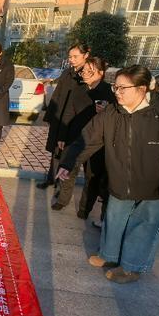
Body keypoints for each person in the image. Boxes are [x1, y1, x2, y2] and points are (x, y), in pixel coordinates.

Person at [57, 65, 159, 284]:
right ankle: (109, 255)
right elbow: (88, 138)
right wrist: (68, 162)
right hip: (120, 182)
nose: (117, 92)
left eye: (123, 88)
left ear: (142, 88)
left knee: (143, 227)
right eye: (115, 87)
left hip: (155, 189)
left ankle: (132, 267)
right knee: (113, 220)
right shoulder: (112, 113)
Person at [52, 56, 115, 217]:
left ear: (100, 73)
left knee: (91, 176)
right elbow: (68, 112)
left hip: (96, 140)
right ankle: (63, 200)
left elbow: (115, 118)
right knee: (68, 169)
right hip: (74, 136)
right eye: (84, 71)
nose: (85, 74)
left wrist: (106, 110)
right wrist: (62, 135)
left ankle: (84, 208)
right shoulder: (78, 88)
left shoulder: (109, 92)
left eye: (89, 71)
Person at [37, 43, 89, 190]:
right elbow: (57, 95)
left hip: (73, 120)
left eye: (75, 57)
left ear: (86, 55)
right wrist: (49, 117)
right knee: (55, 151)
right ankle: (51, 179)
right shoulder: (67, 72)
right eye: (70, 57)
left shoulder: (86, 75)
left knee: (68, 153)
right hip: (59, 117)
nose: (71, 60)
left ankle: (62, 186)